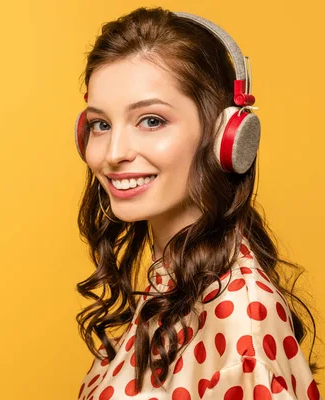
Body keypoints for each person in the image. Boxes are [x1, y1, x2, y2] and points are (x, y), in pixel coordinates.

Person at [73, 6, 321, 400]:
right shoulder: (171, 283)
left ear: (229, 137)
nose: (113, 153)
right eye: (101, 124)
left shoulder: (241, 325)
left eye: (151, 120)